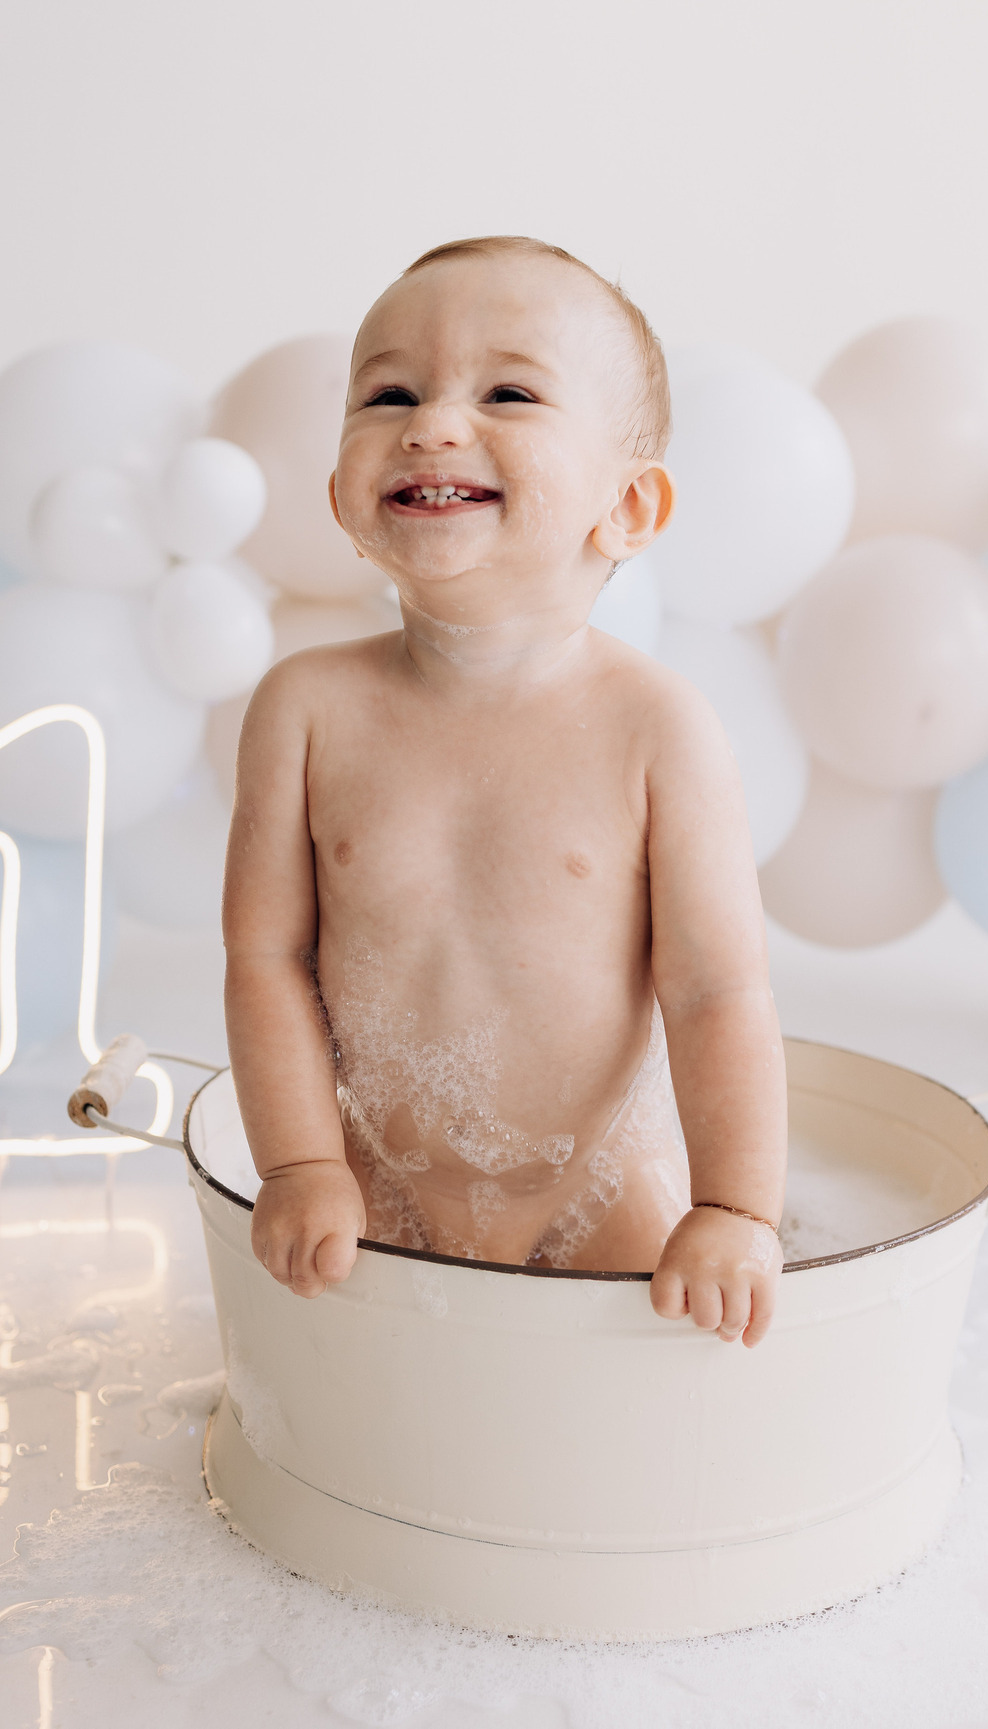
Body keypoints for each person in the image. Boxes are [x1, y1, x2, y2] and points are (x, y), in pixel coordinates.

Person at [223, 236, 787, 1347]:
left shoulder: (655, 728)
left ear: (627, 508)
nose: (431, 421)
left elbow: (718, 992)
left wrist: (732, 1209)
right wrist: (299, 1163)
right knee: (376, 1418)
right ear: (343, 496)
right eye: (390, 391)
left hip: (600, 1187)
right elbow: (265, 959)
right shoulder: (305, 711)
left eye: (509, 391)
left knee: (628, 1423)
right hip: (375, 1176)